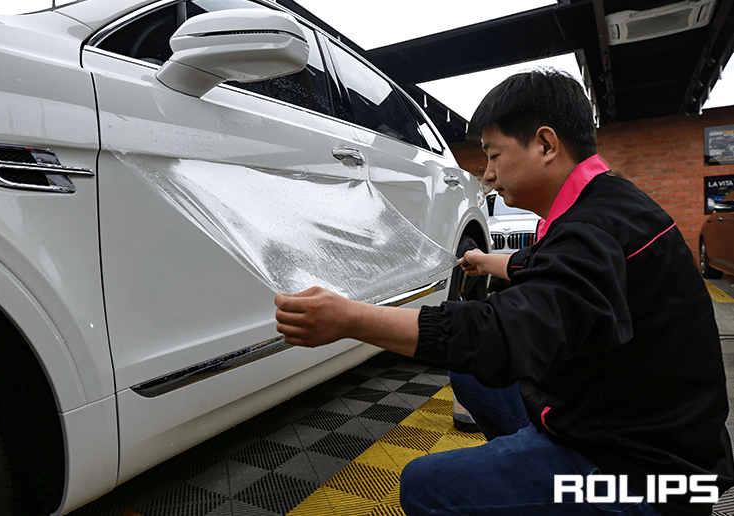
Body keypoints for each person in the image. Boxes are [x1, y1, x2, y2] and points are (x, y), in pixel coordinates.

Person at [274, 68, 733, 516]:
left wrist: (349, 319)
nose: (487, 175)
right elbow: (556, 274)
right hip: (625, 416)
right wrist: (486, 261)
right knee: (472, 378)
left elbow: (501, 334)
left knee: (423, 484)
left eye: (493, 155)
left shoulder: (591, 230)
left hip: (644, 473)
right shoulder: (609, 206)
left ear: (546, 145)